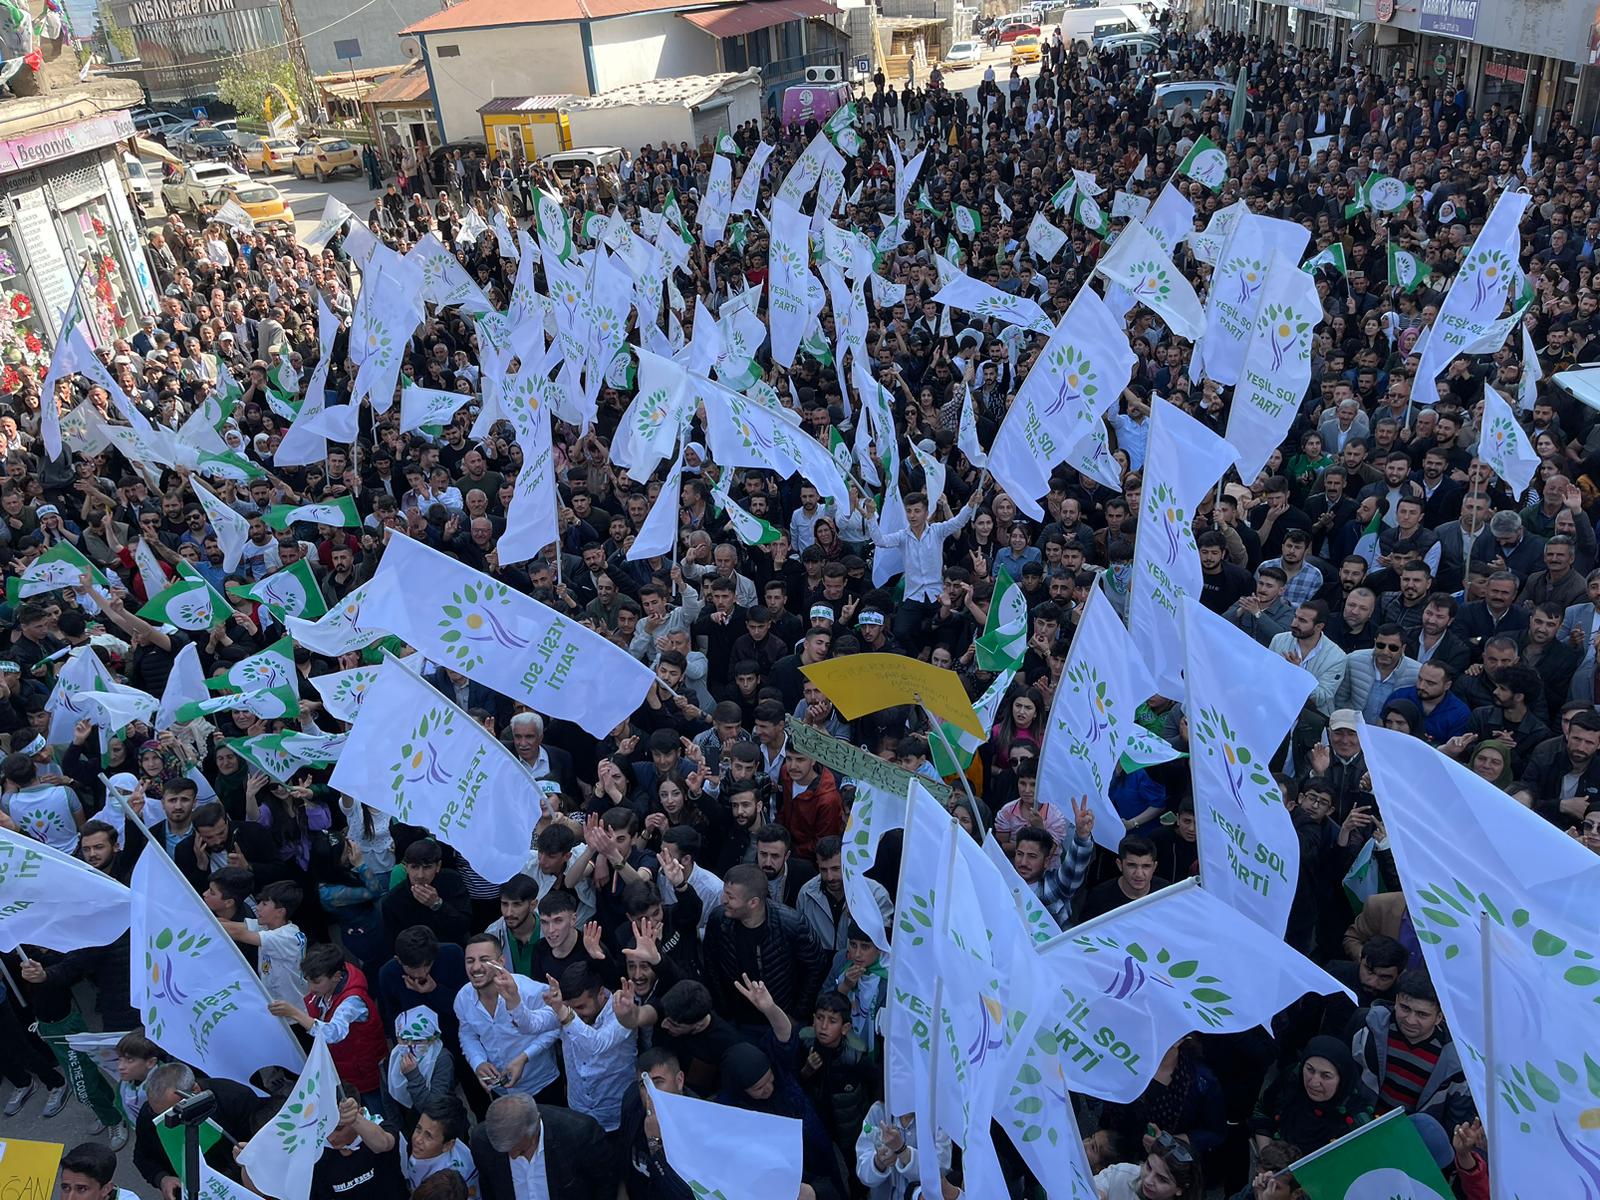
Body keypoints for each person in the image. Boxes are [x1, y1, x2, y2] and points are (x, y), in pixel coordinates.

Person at [469, 1093, 619, 1200]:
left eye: (521, 1151)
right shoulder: (481, 1141)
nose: (513, 1157)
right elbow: (489, 1189)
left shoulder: (579, 1134)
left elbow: (606, 1183)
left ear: (535, 1131)